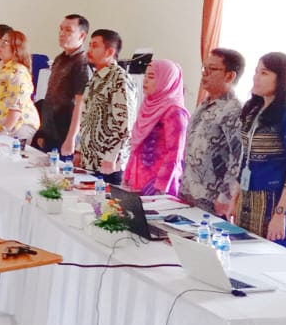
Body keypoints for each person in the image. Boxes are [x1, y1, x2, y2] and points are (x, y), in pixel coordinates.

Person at [232, 52, 286, 247]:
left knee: (267, 263)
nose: (256, 77)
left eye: (264, 73)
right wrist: (236, 196)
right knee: (241, 257)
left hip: (275, 202)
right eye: (256, 71)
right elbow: (245, 158)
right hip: (248, 197)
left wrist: (280, 213)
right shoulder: (254, 111)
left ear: (281, 79)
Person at [180, 47, 246, 216]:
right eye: (204, 68)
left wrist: (226, 196)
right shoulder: (205, 103)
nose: (205, 74)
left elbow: (237, 158)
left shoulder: (234, 110)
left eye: (213, 69)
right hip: (188, 191)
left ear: (230, 76)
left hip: (211, 198)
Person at [122, 58, 190, 196]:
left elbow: (175, 154)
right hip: (137, 183)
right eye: (145, 76)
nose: (145, 81)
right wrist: (128, 175)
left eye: (152, 77)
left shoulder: (174, 112)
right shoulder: (147, 106)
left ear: (167, 80)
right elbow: (136, 148)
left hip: (157, 187)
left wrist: (160, 186)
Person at [75, 29, 135, 181]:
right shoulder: (96, 77)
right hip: (89, 161)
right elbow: (86, 118)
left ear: (109, 51)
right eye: (89, 45)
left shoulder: (119, 79)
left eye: (95, 46)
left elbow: (125, 123)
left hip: (107, 164)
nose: (89, 50)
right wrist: (79, 150)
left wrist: (112, 157)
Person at [31, 14, 90, 156]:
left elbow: (80, 104)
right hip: (48, 130)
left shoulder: (81, 63)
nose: (62, 33)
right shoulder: (59, 58)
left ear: (82, 35)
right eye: (61, 29)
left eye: (68, 30)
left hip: (64, 133)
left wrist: (71, 139)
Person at [0, 29, 40, 141]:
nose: (0, 45)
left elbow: (16, 106)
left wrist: (4, 132)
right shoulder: (0, 66)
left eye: (5, 43)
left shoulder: (18, 71)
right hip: (1, 126)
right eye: (1, 41)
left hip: (18, 126)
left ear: (16, 48)